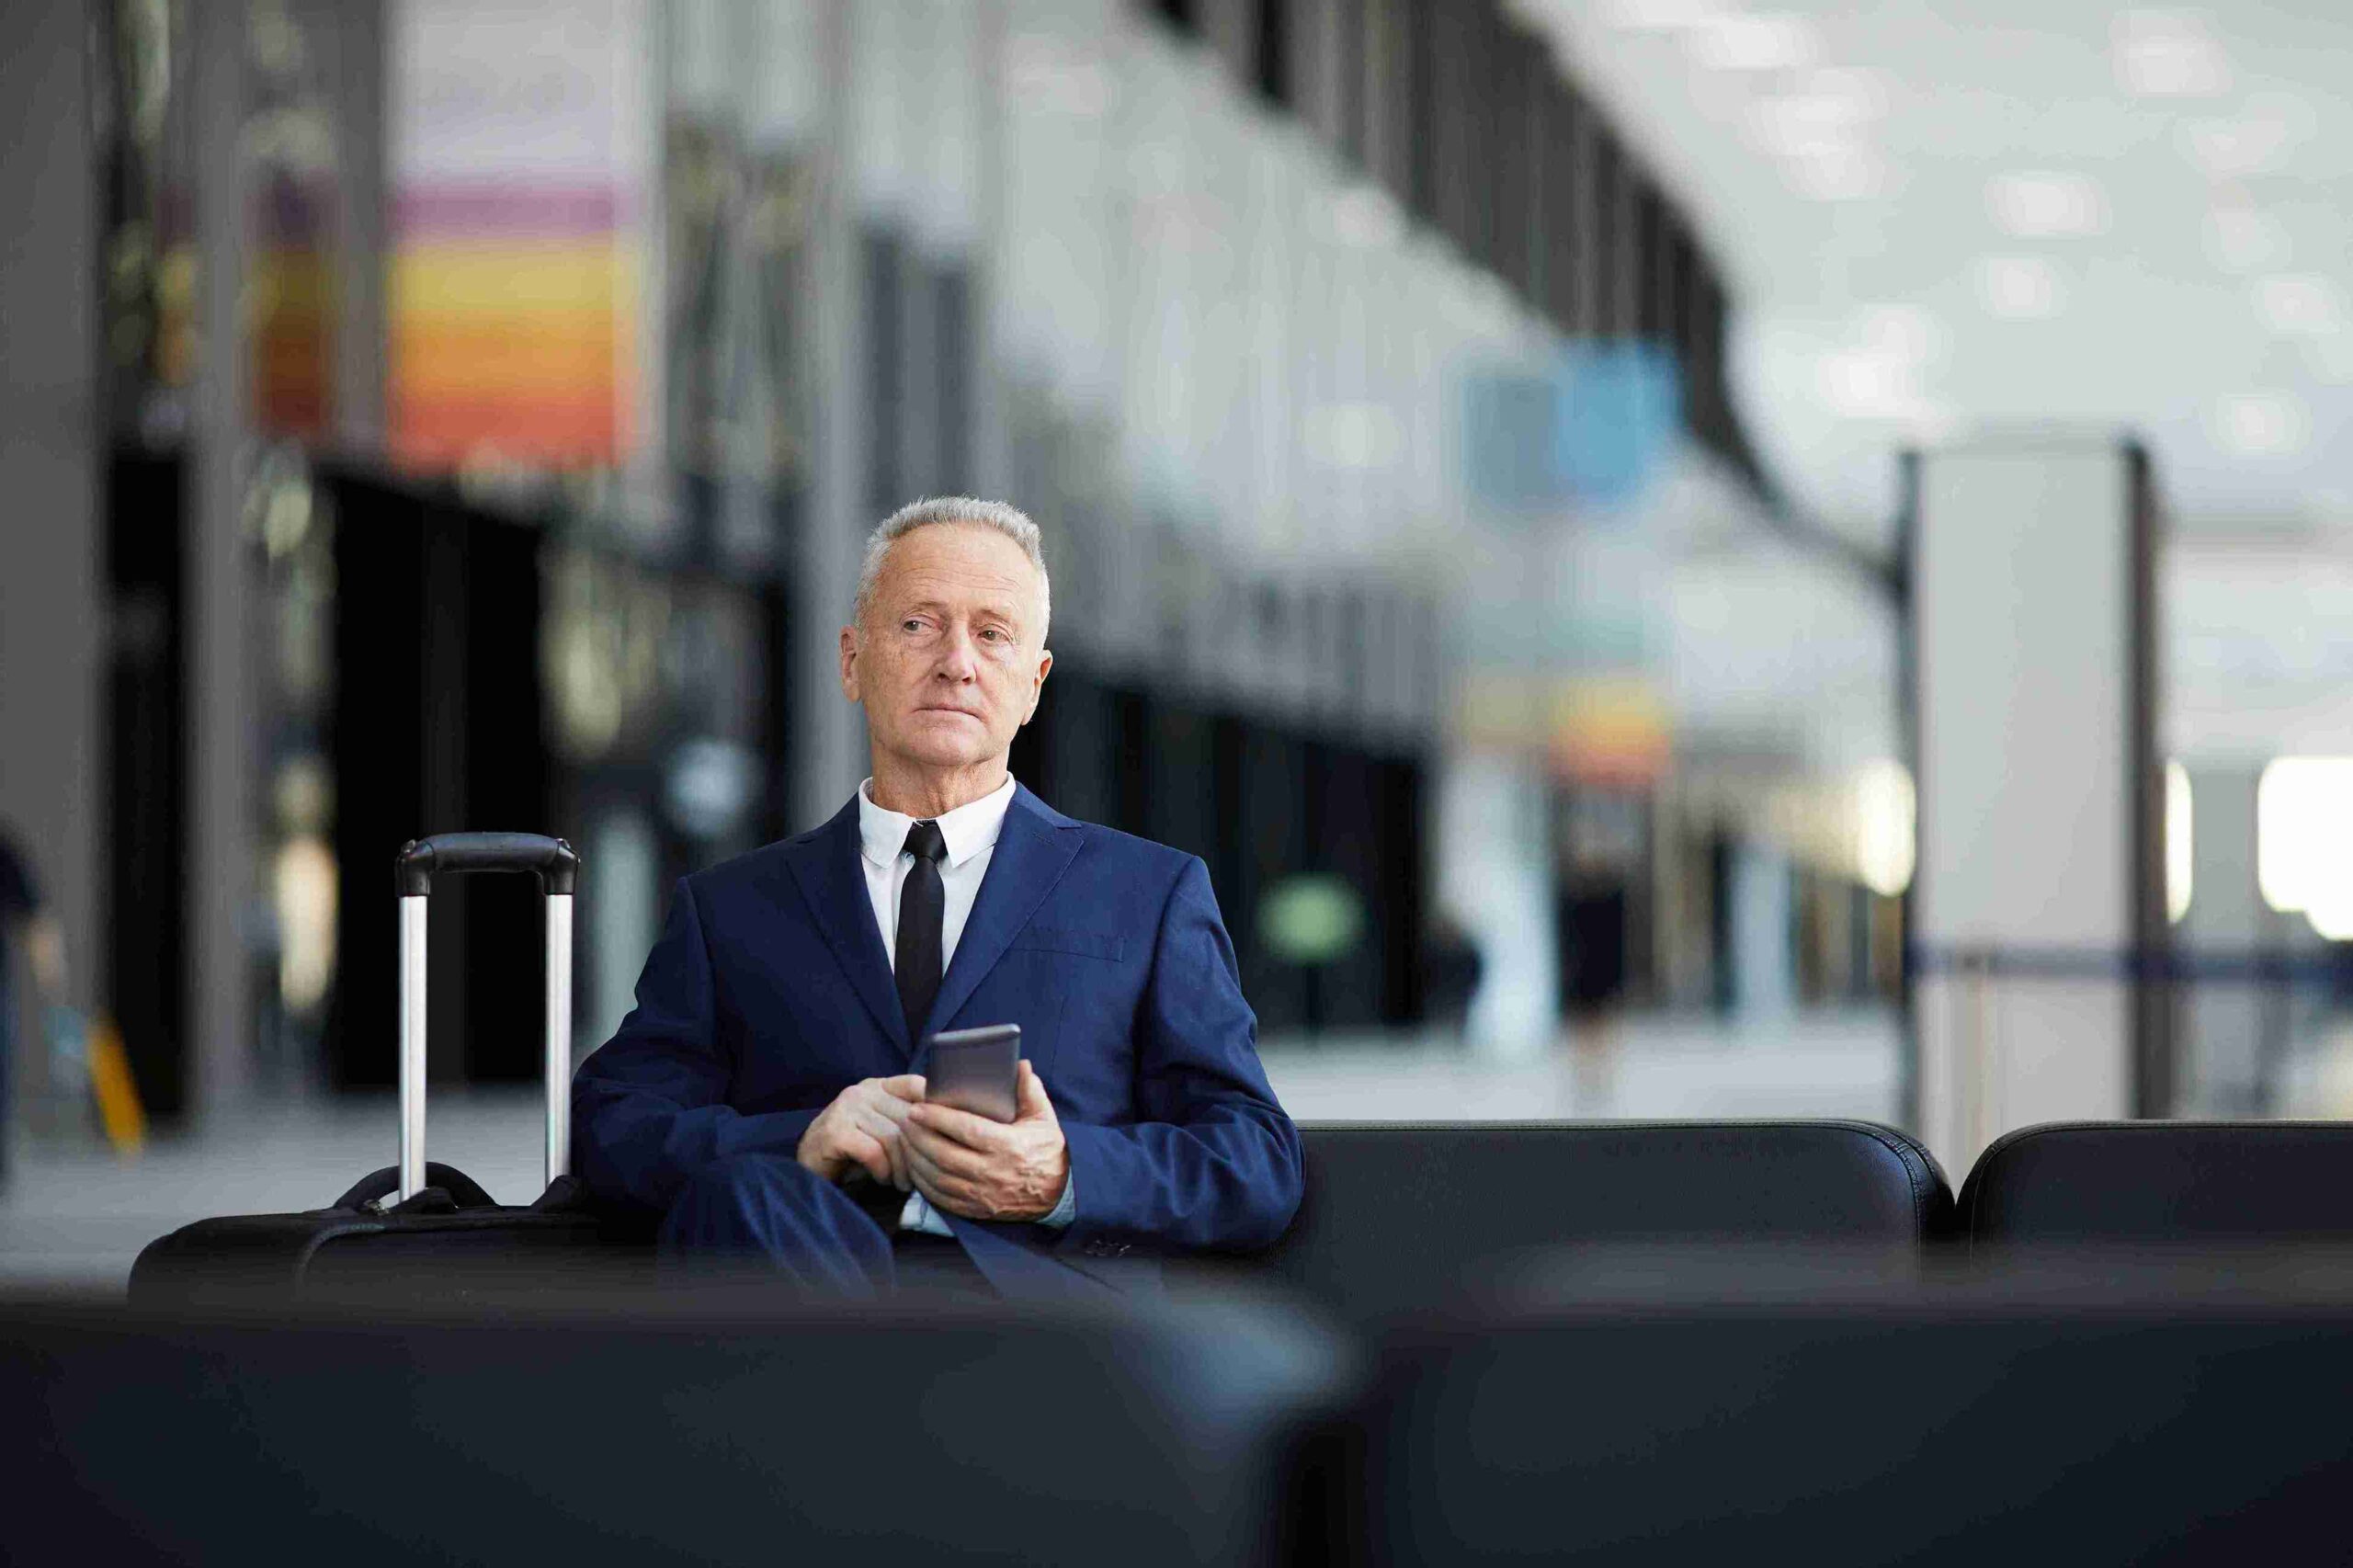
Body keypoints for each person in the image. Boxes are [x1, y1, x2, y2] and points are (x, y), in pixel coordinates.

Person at [572, 498, 1302, 1298]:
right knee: (743, 1195)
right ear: (852, 660)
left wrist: (1063, 1173)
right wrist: (799, 1143)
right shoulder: (732, 909)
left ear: (1034, 684)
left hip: (1043, 1334)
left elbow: (1255, 1160)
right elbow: (613, 1127)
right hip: (801, 1306)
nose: (958, 661)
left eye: (993, 634)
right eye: (920, 624)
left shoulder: (1150, 893)